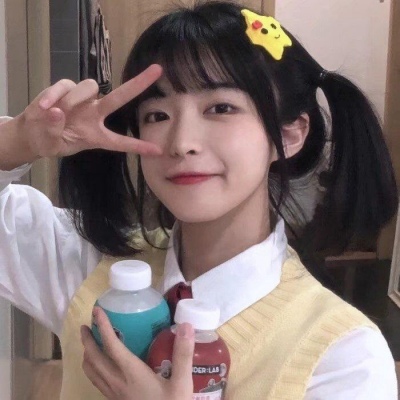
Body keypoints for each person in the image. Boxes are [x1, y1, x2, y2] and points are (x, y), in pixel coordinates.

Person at [0, 1, 398, 399]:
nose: (182, 142)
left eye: (221, 108)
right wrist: (18, 141)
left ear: (290, 134)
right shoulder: (91, 268)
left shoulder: (343, 356)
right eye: (157, 115)